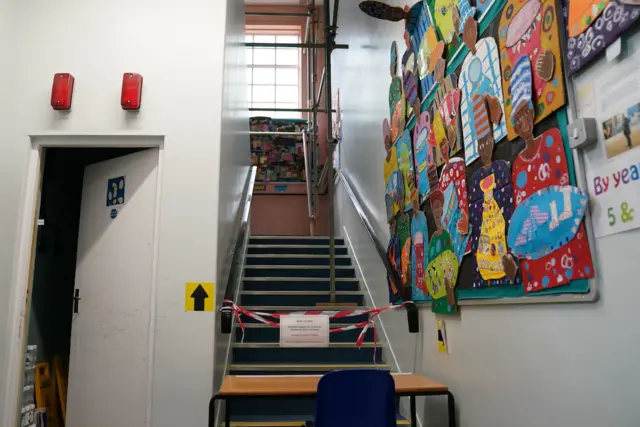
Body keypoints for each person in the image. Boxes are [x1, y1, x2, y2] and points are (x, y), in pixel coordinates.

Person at [508, 55, 594, 292]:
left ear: (533, 113)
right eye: (517, 118)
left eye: (526, 113)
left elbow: (562, 188)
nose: (523, 121)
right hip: (535, 262)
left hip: (565, 245)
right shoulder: (517, 166)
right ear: (514, 126)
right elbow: (522, 214)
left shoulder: (551, 140)